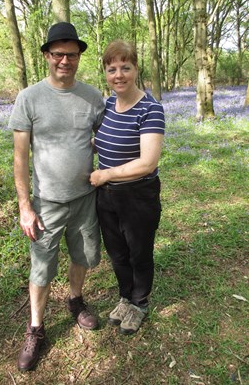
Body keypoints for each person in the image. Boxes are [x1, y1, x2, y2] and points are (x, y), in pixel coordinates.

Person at [8, 22, 105, 371]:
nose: (65, 61)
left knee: (84, 255)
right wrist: (24, 205)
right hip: (46, 202)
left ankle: (76, 301)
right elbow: (20, 156)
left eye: (72, 55)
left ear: (79, 57)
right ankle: (35, 328)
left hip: (85, 199)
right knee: (42, 266)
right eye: (59, 54)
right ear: (47, 56)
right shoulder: (29, 98)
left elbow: (106, 138)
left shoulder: (94, 97)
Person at [90, 40, 165, 335]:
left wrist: (106, 174)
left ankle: (140, 302)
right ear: (106, 73)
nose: (118, 74)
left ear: (136, 69)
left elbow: (147, 162)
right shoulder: (107, 105)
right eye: (112, 69)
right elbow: (100, 143)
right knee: (117, 252)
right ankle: (125, 296)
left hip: (138, 195)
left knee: (139, 252)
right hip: (106, 196)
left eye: (125, 67)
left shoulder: (150, 109)